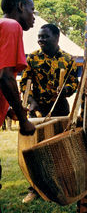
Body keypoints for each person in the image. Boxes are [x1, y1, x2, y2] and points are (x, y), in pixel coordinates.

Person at [20, 23, 79, 203]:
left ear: (56, 38)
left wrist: (65, 90)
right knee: (34, 149)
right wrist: (31, 101)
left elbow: (74, 83)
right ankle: (34, 188)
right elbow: (25, 83)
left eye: (45, 36)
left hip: (59, 108)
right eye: (39, 36)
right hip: (37, 109)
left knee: (59, 149)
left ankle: (59, 186)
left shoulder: (68, 59)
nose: (40, 40)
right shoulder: (32, 59)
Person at [0, 0, 36, 213]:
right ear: (21, 7)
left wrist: (12, 110)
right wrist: (24, 120)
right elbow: (4, 75)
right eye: (32, 11)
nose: (34, 18)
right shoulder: (11, 25)